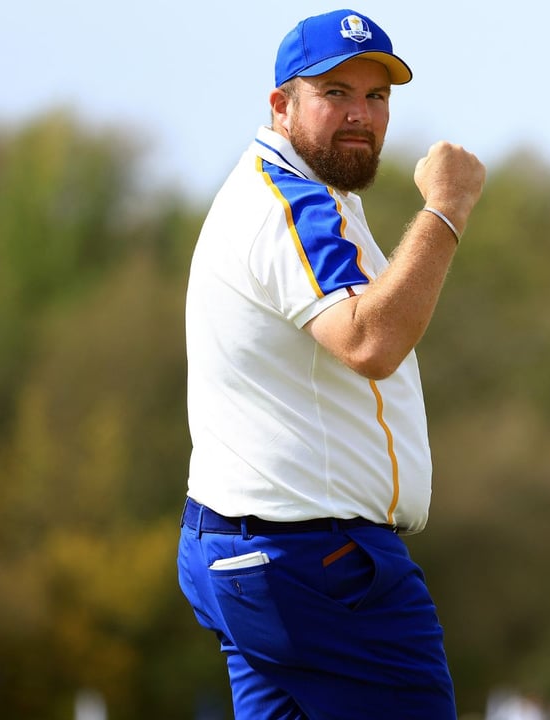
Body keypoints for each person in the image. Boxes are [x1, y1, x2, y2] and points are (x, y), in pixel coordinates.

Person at [175, 8, 486, 719]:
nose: (360, 115)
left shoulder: (290, 189)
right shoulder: (292, 201)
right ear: (281, 104)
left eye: (376, 97)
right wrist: (447, 208)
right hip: (315, 562)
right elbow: (370, 342)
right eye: (335, 93)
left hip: (251, 552)